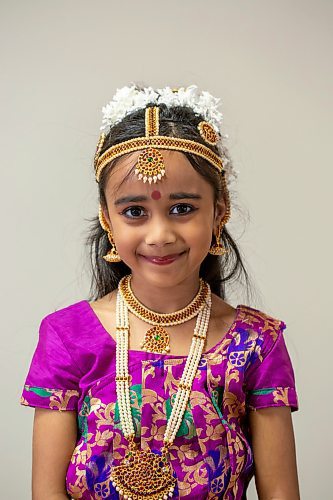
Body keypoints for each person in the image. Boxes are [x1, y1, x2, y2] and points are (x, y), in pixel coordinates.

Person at [20, 84, 300, 500]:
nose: (160, 234)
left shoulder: (257, 343)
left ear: (219, 212)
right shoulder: (67, 336)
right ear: (108, 220)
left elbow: (280, 493)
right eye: (135, 212)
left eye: (182, 209)